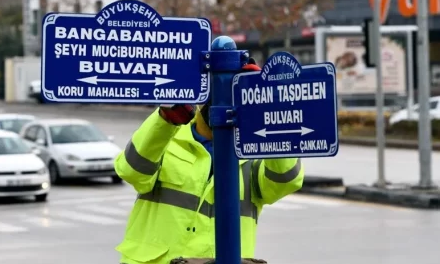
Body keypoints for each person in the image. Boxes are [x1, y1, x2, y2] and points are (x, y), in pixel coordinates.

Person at [113, 58, 304, 264]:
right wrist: (166, 117)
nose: (221, 101)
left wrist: (269, 111)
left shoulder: (254, 152)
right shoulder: (167, 138)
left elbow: (286, 180)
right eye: (215, 89)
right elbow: (131, 170)